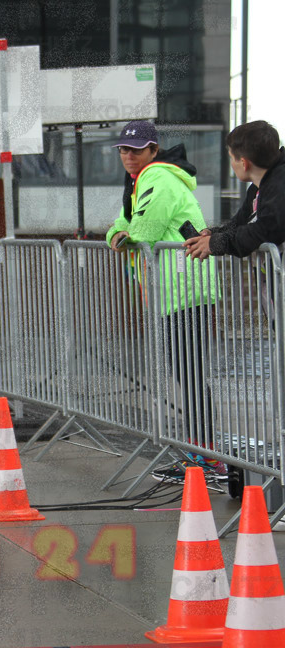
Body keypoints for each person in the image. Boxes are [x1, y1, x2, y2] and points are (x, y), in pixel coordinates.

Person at [104, 120, 222, 484]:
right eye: (124, 149)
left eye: (136, 149)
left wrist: (127, 235)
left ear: (154, 150)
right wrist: (121, 235)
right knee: (185, 374)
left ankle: (205, 458)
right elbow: (116, 228)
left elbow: (144, 232)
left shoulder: (159, 177)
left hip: (186, 290)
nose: (128, 156)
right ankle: (199, 455)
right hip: (173, 292)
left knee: (189, 375)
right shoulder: (140, 182)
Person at [185, 120, 285, 261]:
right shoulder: (258, 187)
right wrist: (212, 235)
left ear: (244, 163)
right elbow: (239, 223)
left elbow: (266, 229)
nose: (231, 164)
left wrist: (217, 242)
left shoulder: (279, 186)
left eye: (231, 158)